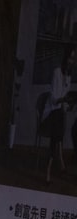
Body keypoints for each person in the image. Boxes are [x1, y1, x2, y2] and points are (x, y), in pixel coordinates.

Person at [44, 45, 76, 184]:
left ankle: (49, 168)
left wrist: (69, 104)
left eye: (74, 59)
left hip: (58, 117)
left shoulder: (68, 77)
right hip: (49, 114)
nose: (72, 61)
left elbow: (63, 100)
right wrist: (62, 101)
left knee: (61, 117)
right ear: (66, 57)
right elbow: (52, 98)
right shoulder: (57, 72)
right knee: (58, 116)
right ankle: (60, 159)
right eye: (70, 57)